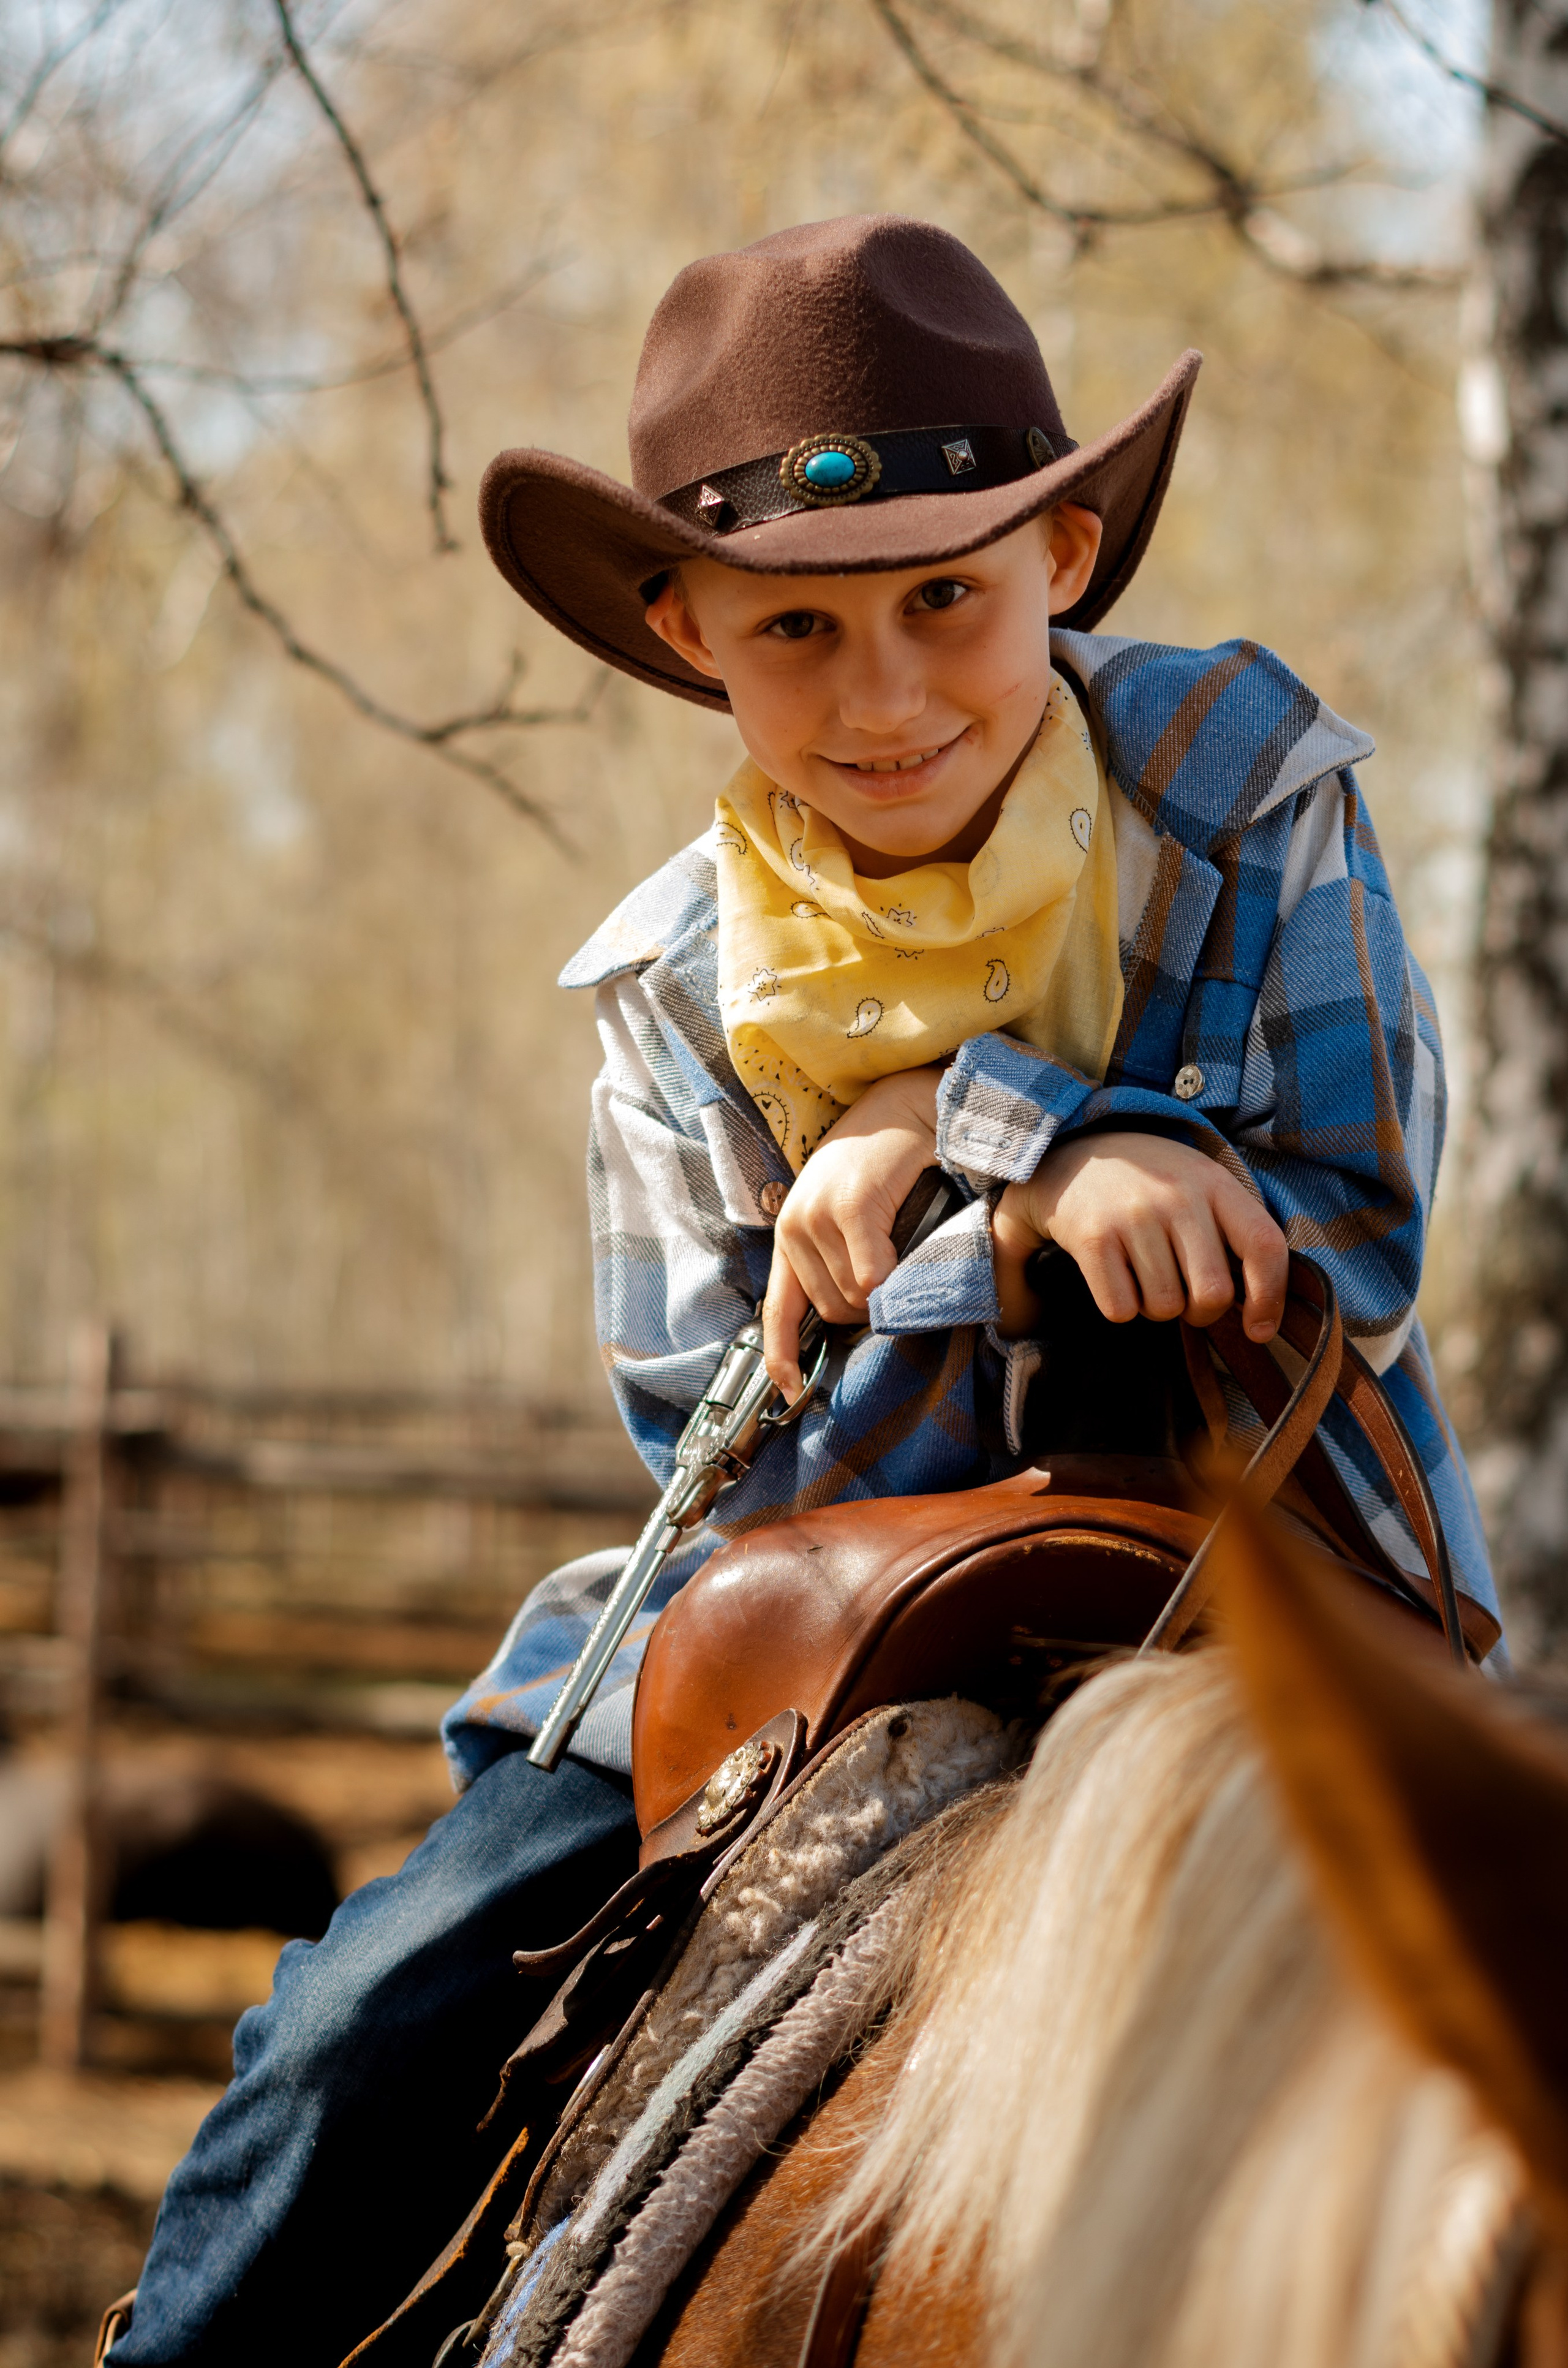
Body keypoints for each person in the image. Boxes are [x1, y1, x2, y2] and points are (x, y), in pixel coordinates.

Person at [110, 214, 1498, 2368]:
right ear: (688, 631)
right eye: (796, 628)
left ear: (1065, 551)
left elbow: (1355, 1243)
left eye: (948, 596)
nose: (886, 696)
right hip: (819, 1604)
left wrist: (971, 1113)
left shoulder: (1252, 803)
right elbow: (723, 1415)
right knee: (348, 2031)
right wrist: (1025, 1167)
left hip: (1269, 1572)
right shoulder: (676, 983)